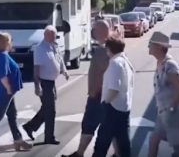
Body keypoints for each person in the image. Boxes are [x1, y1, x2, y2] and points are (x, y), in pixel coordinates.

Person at [62, 20, 119, 157]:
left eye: (94, 29)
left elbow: (107, 74)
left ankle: (80, 153)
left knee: (89, 124)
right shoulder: (110, 48)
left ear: (99, 32)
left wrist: (96, 91)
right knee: (110, 126)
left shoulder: (103, 51)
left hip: (99, 96)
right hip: (105, 96)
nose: (92, 32)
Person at [0, 32, 32, 153]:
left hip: (6, 91)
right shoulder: (2, 55)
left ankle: (18, 139)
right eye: (10, 40)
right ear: (5, 42)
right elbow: (2, 75)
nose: (11, 43)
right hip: (4, 91)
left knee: (12, 114)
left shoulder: (1, 54)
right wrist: (9, 88)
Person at [148, 32, 179, 157]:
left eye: (150, 44)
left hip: (175, 113)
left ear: (159, 47)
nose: (148, 47)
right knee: (154, 139)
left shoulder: (169, 65)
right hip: (164, 112)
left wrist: (172, 107)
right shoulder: (161, 63)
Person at [23, 25, 69, 144]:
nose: (55, 37)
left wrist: (64, 71)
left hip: (51, 82)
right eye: (53, 35)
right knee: (50, 110)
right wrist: (37, 86)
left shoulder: (54, 46)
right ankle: (49, 137)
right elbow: (36, 68)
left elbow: (60, 59)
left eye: (55, 35)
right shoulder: (40, 48)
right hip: (44, 82)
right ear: (46, 35)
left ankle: (30, 126)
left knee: (47, 108)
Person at [92, 37, 134, 157]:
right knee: (123, 143)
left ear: (109, 49)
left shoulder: (116, 63)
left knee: (102, 142)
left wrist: (105, 102)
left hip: (112, 109)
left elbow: (114, 88)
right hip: (124, 107)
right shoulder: (126, 62)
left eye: (107, 49)